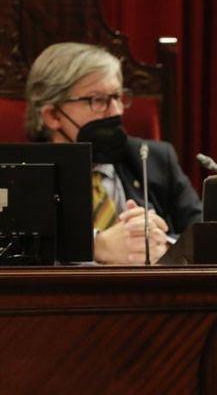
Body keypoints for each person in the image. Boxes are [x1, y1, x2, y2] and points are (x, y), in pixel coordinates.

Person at [25, 42, 202, 264]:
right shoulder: (21, 172)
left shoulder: (153, 158)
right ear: (53, 115)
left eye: (118, 97)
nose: (116, 112)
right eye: (98, 100)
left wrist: (163, 247)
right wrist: (96, 246)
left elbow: (208, 236)